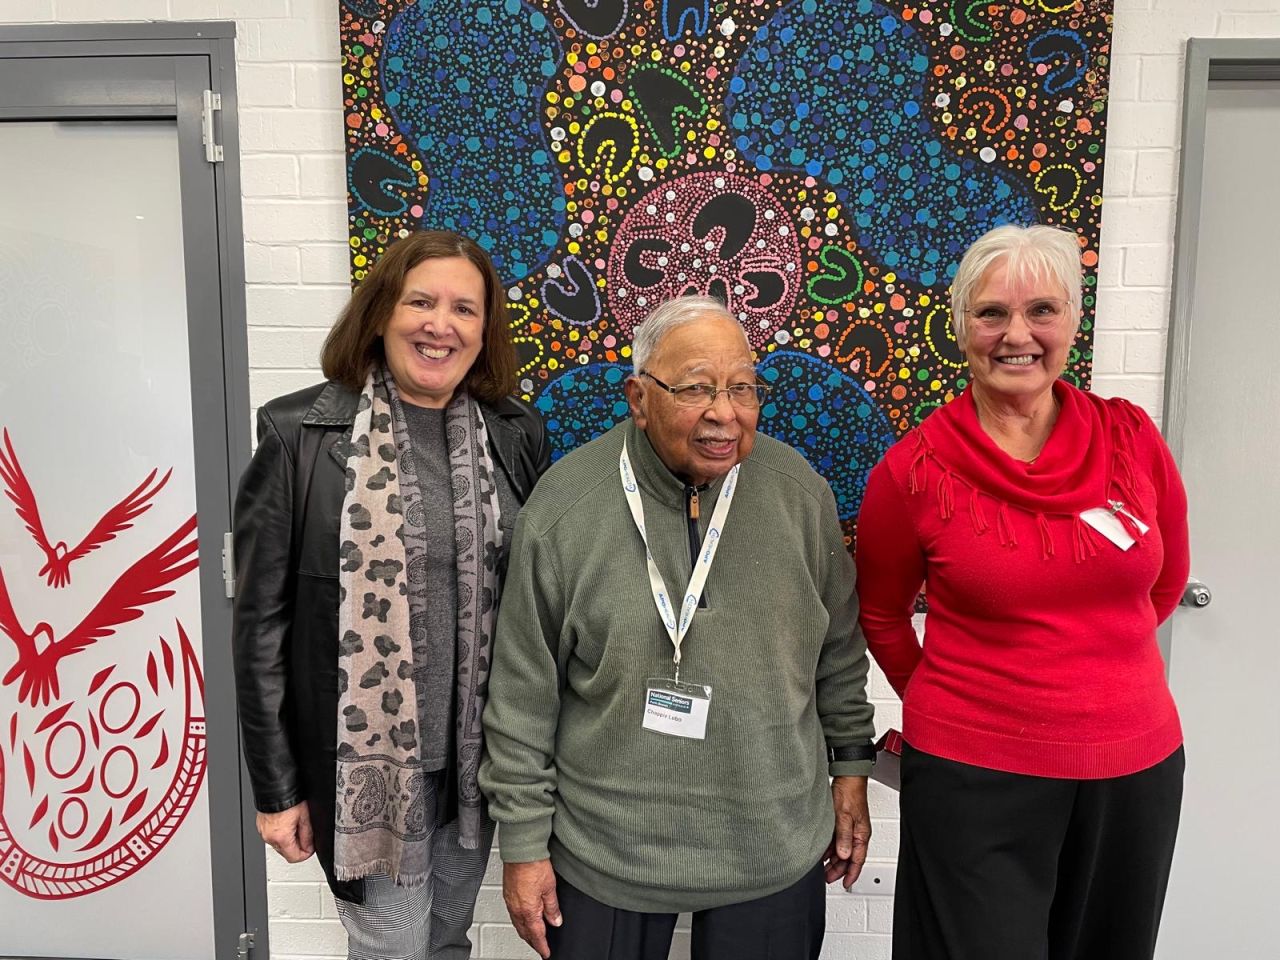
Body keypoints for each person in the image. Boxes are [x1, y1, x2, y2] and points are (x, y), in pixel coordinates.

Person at [479, 295, 877, 960]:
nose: (725, 412)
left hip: (769, 841)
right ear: (638, 397)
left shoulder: (800, 495)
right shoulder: (564, 508)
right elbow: (521, 698)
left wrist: (852, 773)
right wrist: (522, 844)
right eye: (696, 388)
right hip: (606, 850)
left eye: (743, 387)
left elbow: (838, 652)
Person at [855, 224, 1190, 960]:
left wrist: (1092, 674)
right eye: (992, 313)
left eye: (1042, 310)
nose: (1018, 334)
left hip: (1134, 771)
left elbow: (1164, 584)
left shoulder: (1134, 440)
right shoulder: (911, 470)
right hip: (975, 779)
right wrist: (958, 700)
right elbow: (878, 614)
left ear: (1073, 320)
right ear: (960, 328)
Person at [232, 230, 550, 960]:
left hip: (477, 763)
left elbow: (539, 597)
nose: (442, 324)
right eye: (421, 302)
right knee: (392, 947)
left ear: (484, 329)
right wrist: (276, 789)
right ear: (380, 312)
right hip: (365, 771)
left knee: (445, 938)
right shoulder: (300, 434)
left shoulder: (515, 433)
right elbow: (259, 628)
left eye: (465, 309)